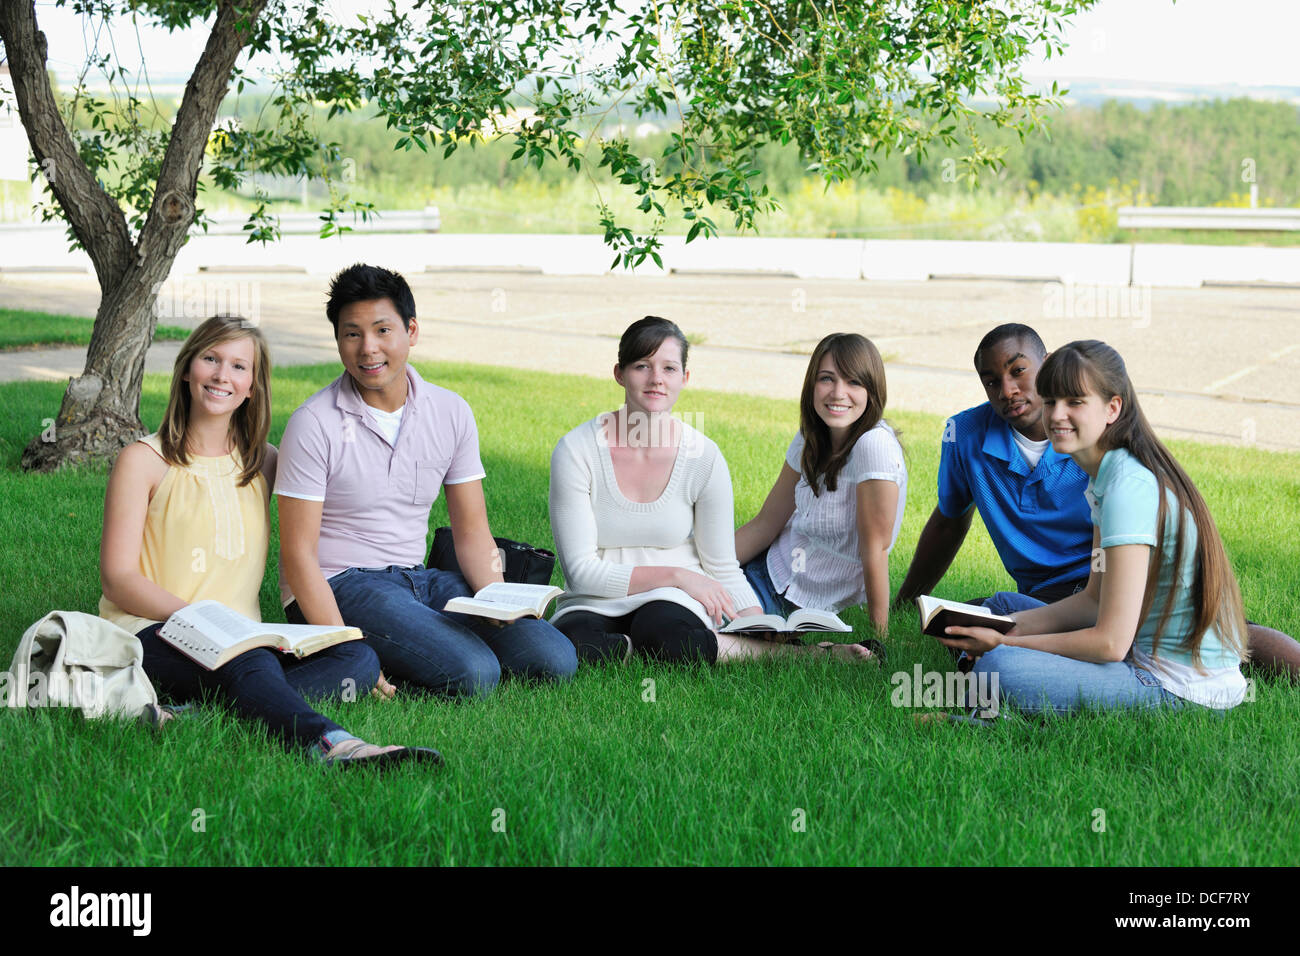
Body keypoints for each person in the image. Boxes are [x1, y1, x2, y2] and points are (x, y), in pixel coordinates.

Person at [99, 315, 433, 766]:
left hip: (248, 639)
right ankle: (334, 745)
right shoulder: (143, 460)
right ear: (186, 369)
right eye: (210, 359)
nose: (222, 375)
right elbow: (118, 579)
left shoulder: (267, 463)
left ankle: (195, 715)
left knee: (356, 658)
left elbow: (316, 529)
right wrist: (206, 621)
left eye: (239, 366)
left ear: (253, 385)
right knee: (248, 663)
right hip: (153, 632)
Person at [895, 322, 1300, 677]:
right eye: (990, 380)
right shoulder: (967, 435)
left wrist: (1010, 644)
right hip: (1064, 592)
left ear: (1048, 365)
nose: (1008, 389)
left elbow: (1114, 619)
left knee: (1225, 634)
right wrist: (907, 600)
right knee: (975, 618)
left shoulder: (1099, 448)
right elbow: (949, 520)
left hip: (1129, 584)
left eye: (1019, 371)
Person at [277, 264, 577, 697]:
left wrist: (494, 599)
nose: (368, 349)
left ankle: (414, 652)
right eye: (352, 334)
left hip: (421, 579)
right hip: (340, 583)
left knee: (553, 658)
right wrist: (341, 649)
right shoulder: (314, 422)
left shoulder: (449, 411)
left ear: (411, 331)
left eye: (383, 330)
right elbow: (298, 555)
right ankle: (379, 666)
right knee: (475, 672)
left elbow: (472, 533)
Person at [939, 340, 1251, 714]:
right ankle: (989, 684)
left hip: (1173, 682)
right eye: (1051, 400)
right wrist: (1004, 628)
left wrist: (1005, 645)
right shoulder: (1104, 477)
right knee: (1001, 608)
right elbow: (1093, 601)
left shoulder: (1126, 489)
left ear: (1112, 408)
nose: (1056, 415)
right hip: (1135, 650)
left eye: (1075, 402)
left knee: (1001, 667)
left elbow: (1110, 644)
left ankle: (984, 707)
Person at [548, 316, 877, 665]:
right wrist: (680, 575)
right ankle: (644, 651)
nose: (656, 379)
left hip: (672, 599)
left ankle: (802, 656)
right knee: (570, 646)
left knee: (667, 635)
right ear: (619, 373)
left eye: (669, 368)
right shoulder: (577, 450)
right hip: (596, 595)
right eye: (642, 366)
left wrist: (760, 623)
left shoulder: (703, 455)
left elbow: (721, 563)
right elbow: (581, 570)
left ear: (684, 379)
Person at [734, 333, 906, 641]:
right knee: (677, 598)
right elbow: (765, 524)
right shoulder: (811, 435)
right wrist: (707, 567)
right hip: (766, 572)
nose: (838, 393)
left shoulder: (874, 446)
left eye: (854, 382)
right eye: (827, 379)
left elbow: (875, 550)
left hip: (790, 604)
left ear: (872, 390)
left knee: (694, 629)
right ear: (812, 384)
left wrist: (879, 639)